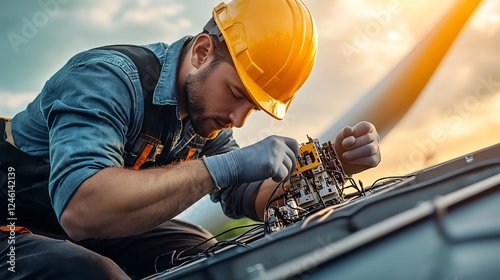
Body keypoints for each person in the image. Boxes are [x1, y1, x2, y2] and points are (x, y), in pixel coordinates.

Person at [0, 0, 380, 279]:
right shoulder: (106, 79)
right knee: (87, 274)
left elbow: (252, 196)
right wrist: (223, 167)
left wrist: (331, 167)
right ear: (201, 52)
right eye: (235, 94)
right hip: (11, 225)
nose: (238, 120)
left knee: (206, 256)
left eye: (252, 108)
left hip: (84, 230)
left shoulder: (203, 118)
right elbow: (81, 209)